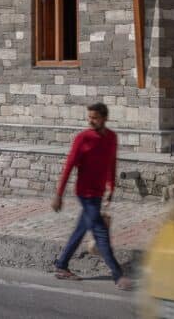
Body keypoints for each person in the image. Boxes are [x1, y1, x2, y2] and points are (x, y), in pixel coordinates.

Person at [51, 102, 133, 290]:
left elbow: (111, 162)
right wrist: (58, 194)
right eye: (89, 117)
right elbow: (69, 166)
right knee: (101, 234)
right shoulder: (83, 138)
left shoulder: (112, 137)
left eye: (94, 117)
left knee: (81, 230)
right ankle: (118, 276)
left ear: (104, 118)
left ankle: (61, 265)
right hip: (85, 194)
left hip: (98, 193)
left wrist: (111, 186)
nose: (90, 121)